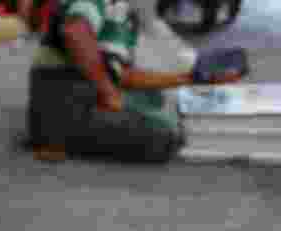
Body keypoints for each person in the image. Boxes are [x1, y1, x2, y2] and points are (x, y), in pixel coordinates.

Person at [28, 0, 241, 162]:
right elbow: (75, 31)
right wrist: (109, 92)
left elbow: (122, 75)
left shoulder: (125, 15)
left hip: (83, 92)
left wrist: (191, 79)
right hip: (64, 97)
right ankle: (55, 139)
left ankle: (72, 132)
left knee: (154, 99)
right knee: (163, 139)